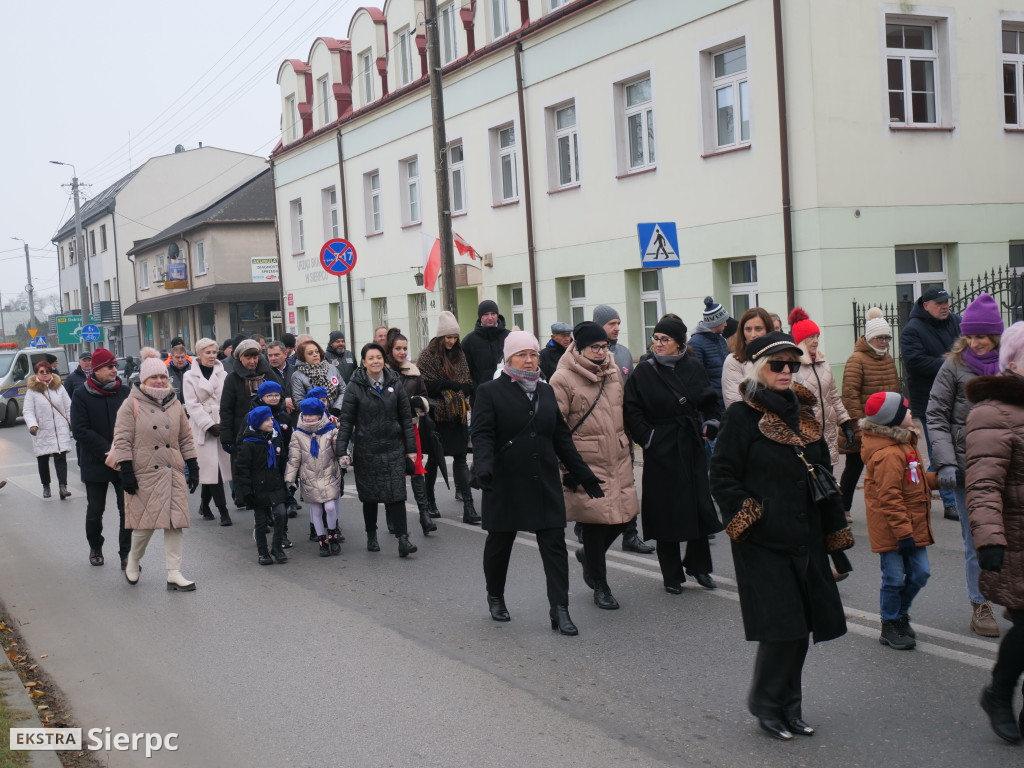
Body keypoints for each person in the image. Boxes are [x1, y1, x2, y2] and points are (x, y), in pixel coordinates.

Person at [710, 331, 851, 741]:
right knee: (781, 629)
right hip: (763, 541)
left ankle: (791, 707)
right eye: (778, 364)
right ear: (758, 369)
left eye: (793, 364)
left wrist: (833, 532)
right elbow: (722, 476)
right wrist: (750, 517)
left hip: (805, 535)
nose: (788, 371)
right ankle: (766, 704)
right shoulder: (741, 416)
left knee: (802, 627)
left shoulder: (804, 415)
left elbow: (822, 472)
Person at [472, 331, 603, 635]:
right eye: (522, 354)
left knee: (554, 545)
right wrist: (484, 468)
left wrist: (583, 474)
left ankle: (560, 609)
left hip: (543, 480)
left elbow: (560, 437)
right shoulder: (490, 391)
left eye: (533, 354)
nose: (530, 360)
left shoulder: (544, 391)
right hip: (504, 481)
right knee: (500, 544)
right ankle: (495, 595)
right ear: (508, 359)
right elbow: (482, 435)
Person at [623, 315, 722, 592]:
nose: (658, 344)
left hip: (690, 444)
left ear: (679, 343)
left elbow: (711, 403)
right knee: (666, 512)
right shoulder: (644, 371)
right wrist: (649, 438)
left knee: (698, 507)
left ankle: (699, 567)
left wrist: (710, 425)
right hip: (660, 447)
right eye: (655, 338)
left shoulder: (693, 367)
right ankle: (671, 574)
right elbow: (631, 409)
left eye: (664, 339)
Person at [927, 292, 1004, 638]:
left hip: (1006, 467)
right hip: (965, 468)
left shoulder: (1011, 365)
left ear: (997, 336)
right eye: (970, 336)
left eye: (982, 336)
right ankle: (980, 604)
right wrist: (944, 462)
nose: (975, 342)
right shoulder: (954, 366)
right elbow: (936, 415)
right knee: (975, 539)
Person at [550, 321, 639, 610]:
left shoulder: (613, 372)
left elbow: (623, 411)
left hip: (618, 457)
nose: (602, 352)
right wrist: (568, 469)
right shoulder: (562, 379)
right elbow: (557, 428)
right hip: (585, 462)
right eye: (595, 347)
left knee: (626, 516)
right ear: (580, 347)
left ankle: (589, 555)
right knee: (595, 525)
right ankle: (600, 584)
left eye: (604, 346)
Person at [965, 321, 1024, 744]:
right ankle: (999, 694)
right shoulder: (991, 413)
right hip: (1016, 538)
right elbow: (983, 483)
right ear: (1014, 362)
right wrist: (989, 539)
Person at [112, 357, 200, 591]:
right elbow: (121, 440)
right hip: (144, 472)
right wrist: (126, 471)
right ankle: (133, 559)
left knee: (175, 524)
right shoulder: (131, 404)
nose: (160, 381)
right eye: (154, 377)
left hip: (172, 471)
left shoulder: (174, 403)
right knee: (144, 526)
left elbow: (185, 437)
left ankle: (174, 573)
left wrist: (193, 464)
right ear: (143, 379)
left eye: (163, 376)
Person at [860, 391, 935, 650]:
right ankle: (890, 622)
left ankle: (900, 613)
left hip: (908, 524)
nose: (911, 412)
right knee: (893, 577)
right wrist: (904, 534)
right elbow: (890, 497)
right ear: (893, 418)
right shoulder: (888, 454)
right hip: (894, 529)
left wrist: (939, 480)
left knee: (920, 573)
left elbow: (914, 482)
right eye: (906, 409)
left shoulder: (905, 443)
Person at [336, 342, 418, 557]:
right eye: (371, 358)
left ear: (384, 360)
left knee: (397, 494)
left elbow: (406, 419)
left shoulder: (395, 382)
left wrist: (411, 449)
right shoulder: (355, 386)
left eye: (379, 357)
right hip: (367, 449)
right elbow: (346, 421)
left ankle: (403, 539)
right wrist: (341, 450)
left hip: (393, 448)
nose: (375, 361)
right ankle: (371, 535)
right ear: (364, 362)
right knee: (370, 496)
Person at [592, 303, 653, 554]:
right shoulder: (589, 353)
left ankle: (631, 534)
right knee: (601, 484)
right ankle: (589, 528)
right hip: (597, 433)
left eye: (618, 323)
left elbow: (633, 391)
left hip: (623, 430)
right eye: (611, 324)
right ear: (599, 326)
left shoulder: (626, 354)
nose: (617, 328)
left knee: (627, 483)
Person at [900, 286, 962, 518]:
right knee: (939, 450)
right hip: (930, 403)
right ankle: (950, 503)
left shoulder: (956, 322)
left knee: (953, 449)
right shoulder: (912, 330)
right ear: (926, 306)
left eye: (946, 301)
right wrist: (953, 364)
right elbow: (916, 362)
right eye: (939, 302)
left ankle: (919, 485)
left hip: (959, 398)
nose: (945, 305)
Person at [70, 347, 132, 568]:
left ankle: (127, 555)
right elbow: (80, 429)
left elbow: (134, 423)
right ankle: (95, 545)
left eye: (115, 366)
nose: (115, 370)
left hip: (123, 459)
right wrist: (108, 450)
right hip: (96, 461)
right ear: (96, 370)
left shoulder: (124, 392)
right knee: (96, 509)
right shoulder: (81, 394)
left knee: (127, 509)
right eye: (110, 366)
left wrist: (121, 450)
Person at [417, 311, 479, 524]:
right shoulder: (427, 356)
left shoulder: (460, 354)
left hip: (457, 415)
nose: (452, 341)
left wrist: (462, 388)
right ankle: (430, 502)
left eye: (454, 337)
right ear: (440, 336)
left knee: (461, 459)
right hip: (436, 416)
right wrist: (448, 385)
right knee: (434, 460)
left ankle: (469, 508)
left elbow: (467, 381)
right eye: (448, 337)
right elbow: (425, 385)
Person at [838, 308, 901, 518]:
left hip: (886, 426)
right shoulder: (856, 360)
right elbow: (850, 395)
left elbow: (895, 391)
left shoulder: (889, 359)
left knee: (885, 470)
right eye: (880, 338)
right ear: (870, 338)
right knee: (854, 468)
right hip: (864, 426)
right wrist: (856, 426)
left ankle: (886, 507)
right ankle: (843, 507)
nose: (884, 342)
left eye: (887, 337)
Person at [386, 328, 437, 536]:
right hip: (390, 429)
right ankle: (393, 517)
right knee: (394, 473)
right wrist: (407, 402)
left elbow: (427, 398)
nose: (402, 352)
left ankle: (424, 515)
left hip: (411, 425)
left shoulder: (414, 372)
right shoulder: (383, 372)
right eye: (398, 348)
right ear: (390, 349)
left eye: (405, 348)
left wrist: (420, 403)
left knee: (417, 471)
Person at [219, 339, 282, 507]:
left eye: (255, 357)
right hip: (241, 431)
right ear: (240, 358)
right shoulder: (232, 378)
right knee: (244, 468)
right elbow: (226, 409)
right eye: (248, 357)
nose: (252, 361)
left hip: (267, 429)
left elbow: (279, 396)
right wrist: (226, 436)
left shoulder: (267, 374)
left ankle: (270, 502)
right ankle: (246, 499)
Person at [182, 338, 233, 526]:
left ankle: (204, 504)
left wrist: (223, 423)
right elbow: (192, 405)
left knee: (212, 470)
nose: (212, 356)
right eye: (208, 352)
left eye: (214, 352)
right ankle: (223, 510)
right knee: (212, 469)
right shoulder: (189, 376)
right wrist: (209, 424)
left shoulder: (223, 373)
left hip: (221, 423)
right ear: (199, 354)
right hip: (201, 426)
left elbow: (227, 400)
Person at [286, 398, 344, 557]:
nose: (308, 418)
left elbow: (340, 450)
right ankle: (322, 541)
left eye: (312, 415)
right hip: (309, 478)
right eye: (305, 415)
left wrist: (345, 458)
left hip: (328, 474)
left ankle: (332, 535)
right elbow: (294, 458)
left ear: (320, 415)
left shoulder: (331, 430)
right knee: (316, 511)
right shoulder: (298, 434)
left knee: (330, 507)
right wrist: (290, 478)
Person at [237, 405, 289, 565]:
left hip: (275, 485)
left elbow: (282, 461)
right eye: (267, 420)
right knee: (261, 522)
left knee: (281, 515)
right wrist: (246, 491)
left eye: (271, 418)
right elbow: (242, 469)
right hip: (257, 488)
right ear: (258, 422)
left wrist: (286, 481)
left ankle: (277, 547)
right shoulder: (249, 444)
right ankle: (263, 552)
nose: (271, 421)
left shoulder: (274, 438)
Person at [24, 359, 73, 500]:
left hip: (59, 429)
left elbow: (68, 406)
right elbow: (27, 411)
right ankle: (46, 486)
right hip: (42, 429)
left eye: (47, 371)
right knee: (43, 459)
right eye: (42, 372)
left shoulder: (59, 387)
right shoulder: (32, 391)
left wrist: (71, 422)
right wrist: (33, 425)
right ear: (37, 374)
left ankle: (63, 487)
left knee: (61, 458)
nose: (45, 374)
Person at [722, 308, 774, 409]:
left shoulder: (781, 357)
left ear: (768, 330)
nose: (753, 335)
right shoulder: (734, 360)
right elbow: (733, 403)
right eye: (748, 329)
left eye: (758, 329)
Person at [690, 296, 731, 410]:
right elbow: (697, 380)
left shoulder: (721, 340)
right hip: (710, 407)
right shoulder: (695, 344)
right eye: (724, 321)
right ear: (715, 322)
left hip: (725, 402)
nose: (726, 324)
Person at [461, 300, 510, 392]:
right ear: (480, 317)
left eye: (493, 314)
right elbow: (464, 371)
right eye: (486, 314)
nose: (490, 317)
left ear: (497, 315)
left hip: (506, 393)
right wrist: (474, 388)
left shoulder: (509, 337)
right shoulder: (469, 341)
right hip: (479, 394)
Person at [290, 339, 345, 414]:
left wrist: (336, 409)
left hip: (337, 414)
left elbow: (343, 390)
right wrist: (319, 410)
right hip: (313, 417)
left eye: (317, 351)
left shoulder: (331, 368)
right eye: (310, 353)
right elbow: (299, 402)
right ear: (303, 357)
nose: (315, 355)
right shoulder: (297, 376)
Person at [266, 341, 295, 415]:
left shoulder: (296, 371)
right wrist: (284, 403)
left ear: (285, 354)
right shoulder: (265, 374)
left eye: (276, 355)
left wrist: (291, 402)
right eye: (270, 355)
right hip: (276, 416)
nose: (273, 358)